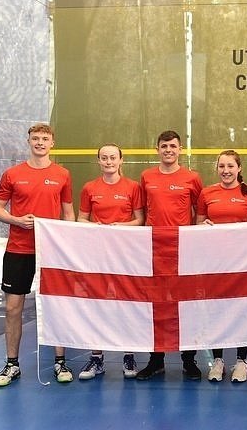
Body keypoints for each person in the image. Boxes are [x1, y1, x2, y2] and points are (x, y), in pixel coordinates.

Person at [0, 123, 76, 387]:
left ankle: (60, 362)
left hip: (51, 252)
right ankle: (12, 364)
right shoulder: (12, 174)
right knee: (12, 308)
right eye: (35, 138)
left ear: (52, 143)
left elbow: (68, 213)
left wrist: (68, 245)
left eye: (45, 139)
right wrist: (16, 220)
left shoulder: (62, 174)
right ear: (28, 141)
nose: (40, 142)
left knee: (56, 306)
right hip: (18, 250)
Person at [136, 130, 204, 381]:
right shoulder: (146, 176)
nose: (168, 150)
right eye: (164, 146)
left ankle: (189, 360)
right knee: (157, 305)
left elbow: (200, 212)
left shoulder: (192, 178)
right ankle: (156, 360)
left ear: (180, 149)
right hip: (154, 250)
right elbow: (143, 213)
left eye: (173, 146)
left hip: (183, 250)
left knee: (187, 305)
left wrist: (195, 241)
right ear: (157, 149)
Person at [196, 150, 247, 383]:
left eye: (230, 166)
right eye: (222, 166)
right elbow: (198, 224)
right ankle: (218, 360)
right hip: (214, 263)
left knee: (241, 310)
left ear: (239, 168)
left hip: (242, 263)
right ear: (217, 168)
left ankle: (241, 361)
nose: (226, 171)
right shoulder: (207, 193)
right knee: (216, 310)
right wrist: (203, 226)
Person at [76, 144, 145, 380]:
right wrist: (95, 227)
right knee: (98, 303)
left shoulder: (133, 187)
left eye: (113, 158)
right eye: (104, 158)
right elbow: (81, 219)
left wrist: (120, 227)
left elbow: (140, 220)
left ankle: (129, 355)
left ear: (121, 160)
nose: (108, 162)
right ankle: (96, 358)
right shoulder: (89, 188)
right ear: (99, 161)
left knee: (126, 302)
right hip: (98, 255)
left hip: (125, 254)